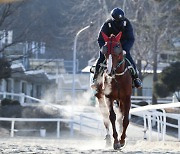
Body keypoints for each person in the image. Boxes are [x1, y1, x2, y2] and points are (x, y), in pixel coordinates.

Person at [92, 7, 142, 89]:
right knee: (100, 59)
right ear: (113, 19)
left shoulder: (127, 23)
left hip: (122, 47)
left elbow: (131, 39)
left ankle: (136, 79)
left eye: (121, 21)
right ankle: (96, 79)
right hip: (109, 47)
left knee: (130, 61)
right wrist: (104, 48)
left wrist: (125, 49)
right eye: (117, 21)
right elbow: (100, 39)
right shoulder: (107, 24)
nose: (119, 23)